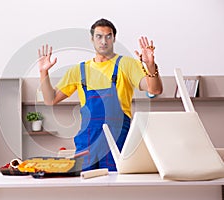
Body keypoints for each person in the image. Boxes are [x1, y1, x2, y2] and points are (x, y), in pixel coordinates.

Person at [37, 18, 163, 171]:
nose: (104, 41)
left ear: (114, 39)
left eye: (108, 36)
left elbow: (154, 89)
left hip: (116, 140)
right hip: (87, 141)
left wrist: (150, 66)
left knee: (114, 189)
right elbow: (50, 100)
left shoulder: (126, 64)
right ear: (92, 39)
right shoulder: (79, 70)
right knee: (85, 189)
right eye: (99, 36)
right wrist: (44, 72)